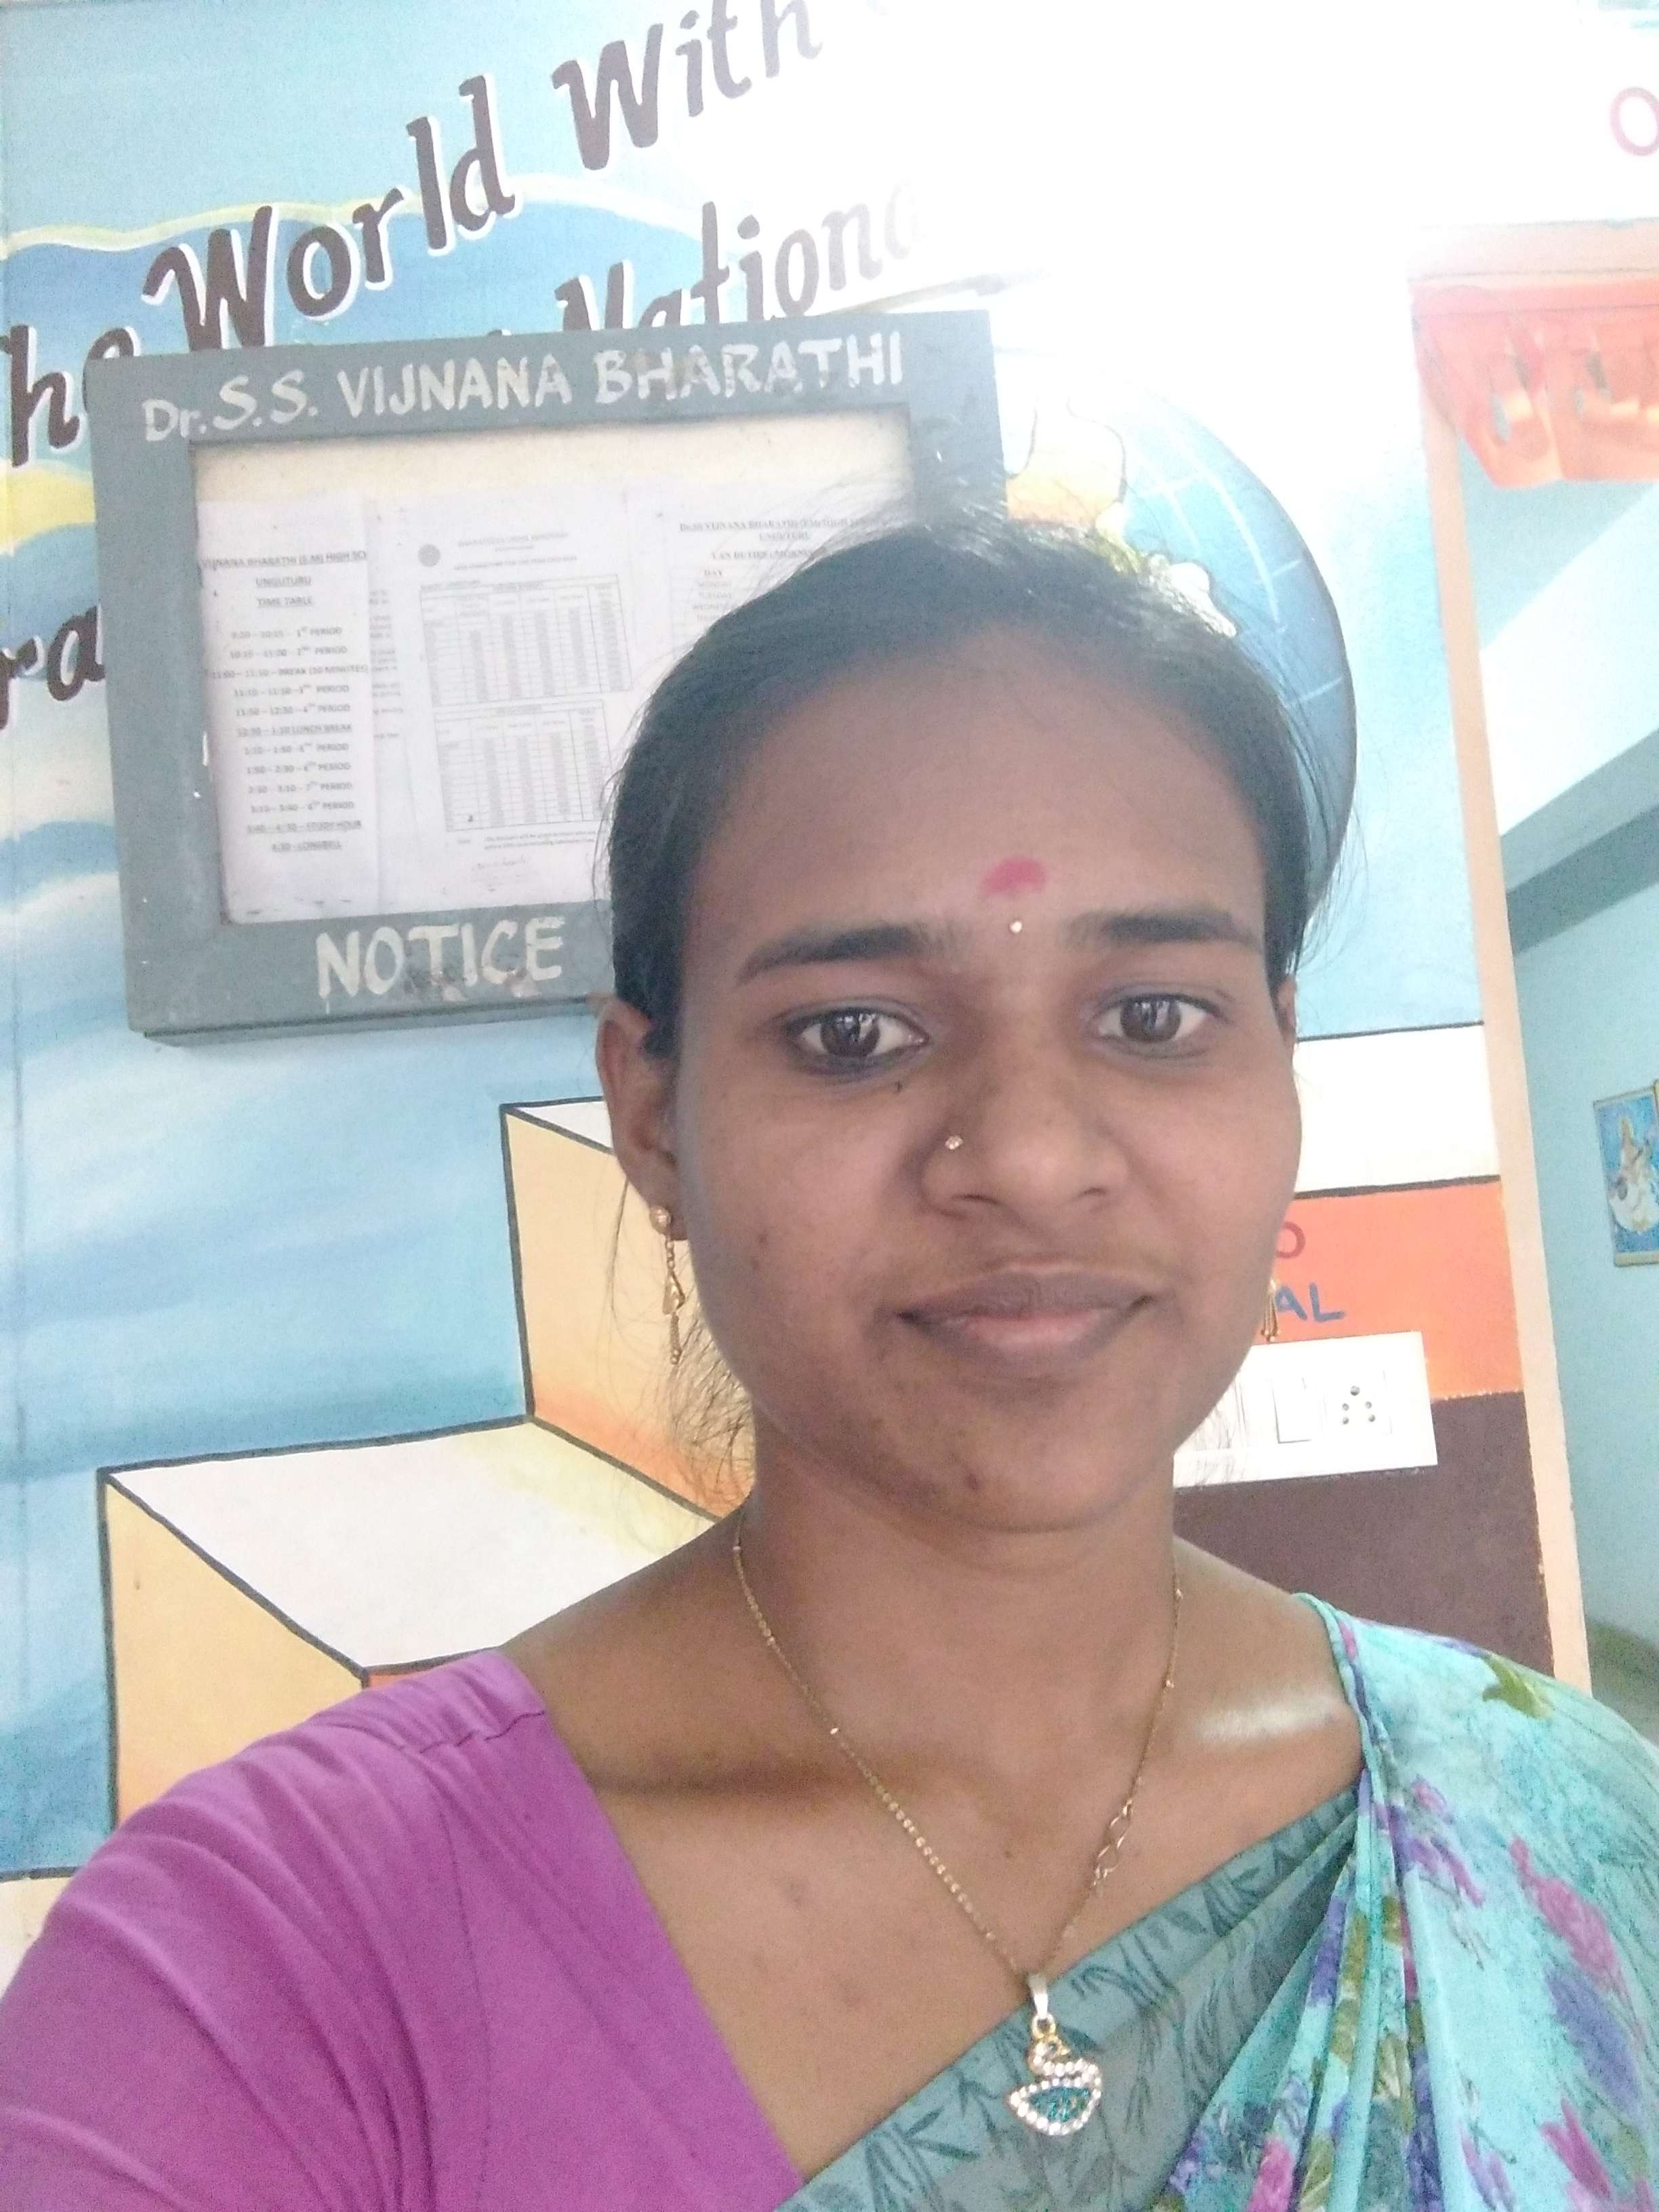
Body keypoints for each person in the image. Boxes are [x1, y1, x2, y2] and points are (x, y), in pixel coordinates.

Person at [1, 516, 1655, 2211]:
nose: (1029, 1156)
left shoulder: (1566, 1841)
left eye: (1153, 1015)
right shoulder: (269, 1979)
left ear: (1279, 1059)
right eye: (853, 1033)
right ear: (654, 1115)